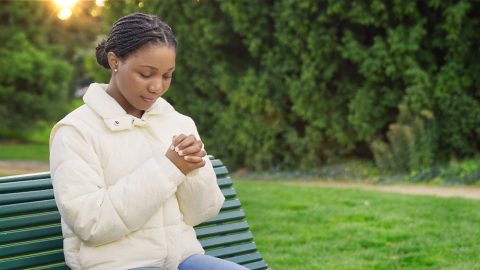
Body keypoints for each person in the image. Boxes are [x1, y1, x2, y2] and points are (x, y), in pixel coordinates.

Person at [49, 12, 248, 270]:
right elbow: (92, 224)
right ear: (114, 61)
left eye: (167, 76)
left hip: (181, 259)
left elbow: (201, 213)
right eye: (146, 74)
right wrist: (169, 168)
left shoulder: (177, 122)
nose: (157, 87)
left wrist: (194, 171)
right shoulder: (76, 131)